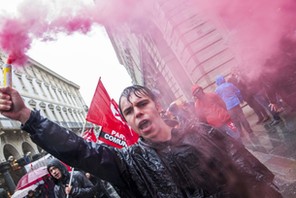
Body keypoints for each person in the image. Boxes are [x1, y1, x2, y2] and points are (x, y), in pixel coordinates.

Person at [0, 86, 282, 197]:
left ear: (157, 106)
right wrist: (28, 116)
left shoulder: (204, 134)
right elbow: (81, 151)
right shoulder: (129, 162)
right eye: (129, 111)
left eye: (142, 104)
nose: (138, 112)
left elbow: (248, 169)